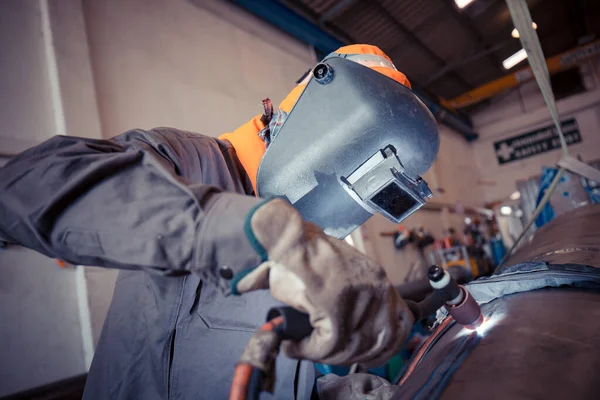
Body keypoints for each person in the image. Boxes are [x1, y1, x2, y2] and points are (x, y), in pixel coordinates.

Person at [0, 44, 439, 399]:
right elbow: (25, 184)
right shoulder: (189, 161)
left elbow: (259, 369)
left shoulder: (308, 233)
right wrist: (251, 232)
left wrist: (328, 393)